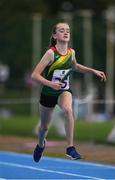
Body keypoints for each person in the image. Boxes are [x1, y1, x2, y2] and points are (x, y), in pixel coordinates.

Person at [31, 22, 107, 162]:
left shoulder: (71, 52)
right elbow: (34, 75)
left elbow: (75, 66)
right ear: (55, 35)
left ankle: (70, 148)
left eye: (67, 31)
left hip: (63, 90)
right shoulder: (50, 53)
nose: (66, 33)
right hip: (48, 93)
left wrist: (93, 71)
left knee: (68, 110)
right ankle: (41, 145)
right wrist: (51, 84)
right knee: (44, 127)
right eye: (61, 30)